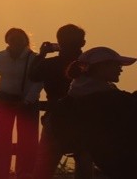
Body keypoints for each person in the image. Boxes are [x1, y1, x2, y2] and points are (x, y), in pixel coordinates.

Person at [51, 47, 137, 179]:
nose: (120, 69)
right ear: (101, 68)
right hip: (121, 158)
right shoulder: (108, 98)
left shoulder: (75, 95)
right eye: (116, 65)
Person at [29, 24, 93, 179]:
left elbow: (32, 75)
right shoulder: (90, 66)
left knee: (44, 167)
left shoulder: (49, 64)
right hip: (84, 118)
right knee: (84, 165)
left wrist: (41, 54)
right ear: (82, 43)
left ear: (59, 42)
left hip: (55, 117)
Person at [0, 28, 42, 179]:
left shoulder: (34, 58)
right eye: (12, 38)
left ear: (25, 40)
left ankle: (25, 173)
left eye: (18, 38)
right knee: (0, 139)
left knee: (28, 139)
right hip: (4, 100)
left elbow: (39, 81)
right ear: (7, 41)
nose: (15, 41)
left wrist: (28, 100)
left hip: (27, 103)